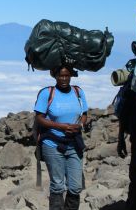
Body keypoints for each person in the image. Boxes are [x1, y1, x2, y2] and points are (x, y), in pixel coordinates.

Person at [34, 65, 88, 210]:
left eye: (66, 75)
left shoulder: (78, 92)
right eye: (60, 76)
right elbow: (39, 118)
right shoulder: (47, 93)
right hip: (52, 144)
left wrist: (80, 126)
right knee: (57, 185)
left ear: (71, 75)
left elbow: (84, 114)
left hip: (74, 144)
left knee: (75, 187)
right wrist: (62, 127)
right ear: (55, 76)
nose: (64, 79)